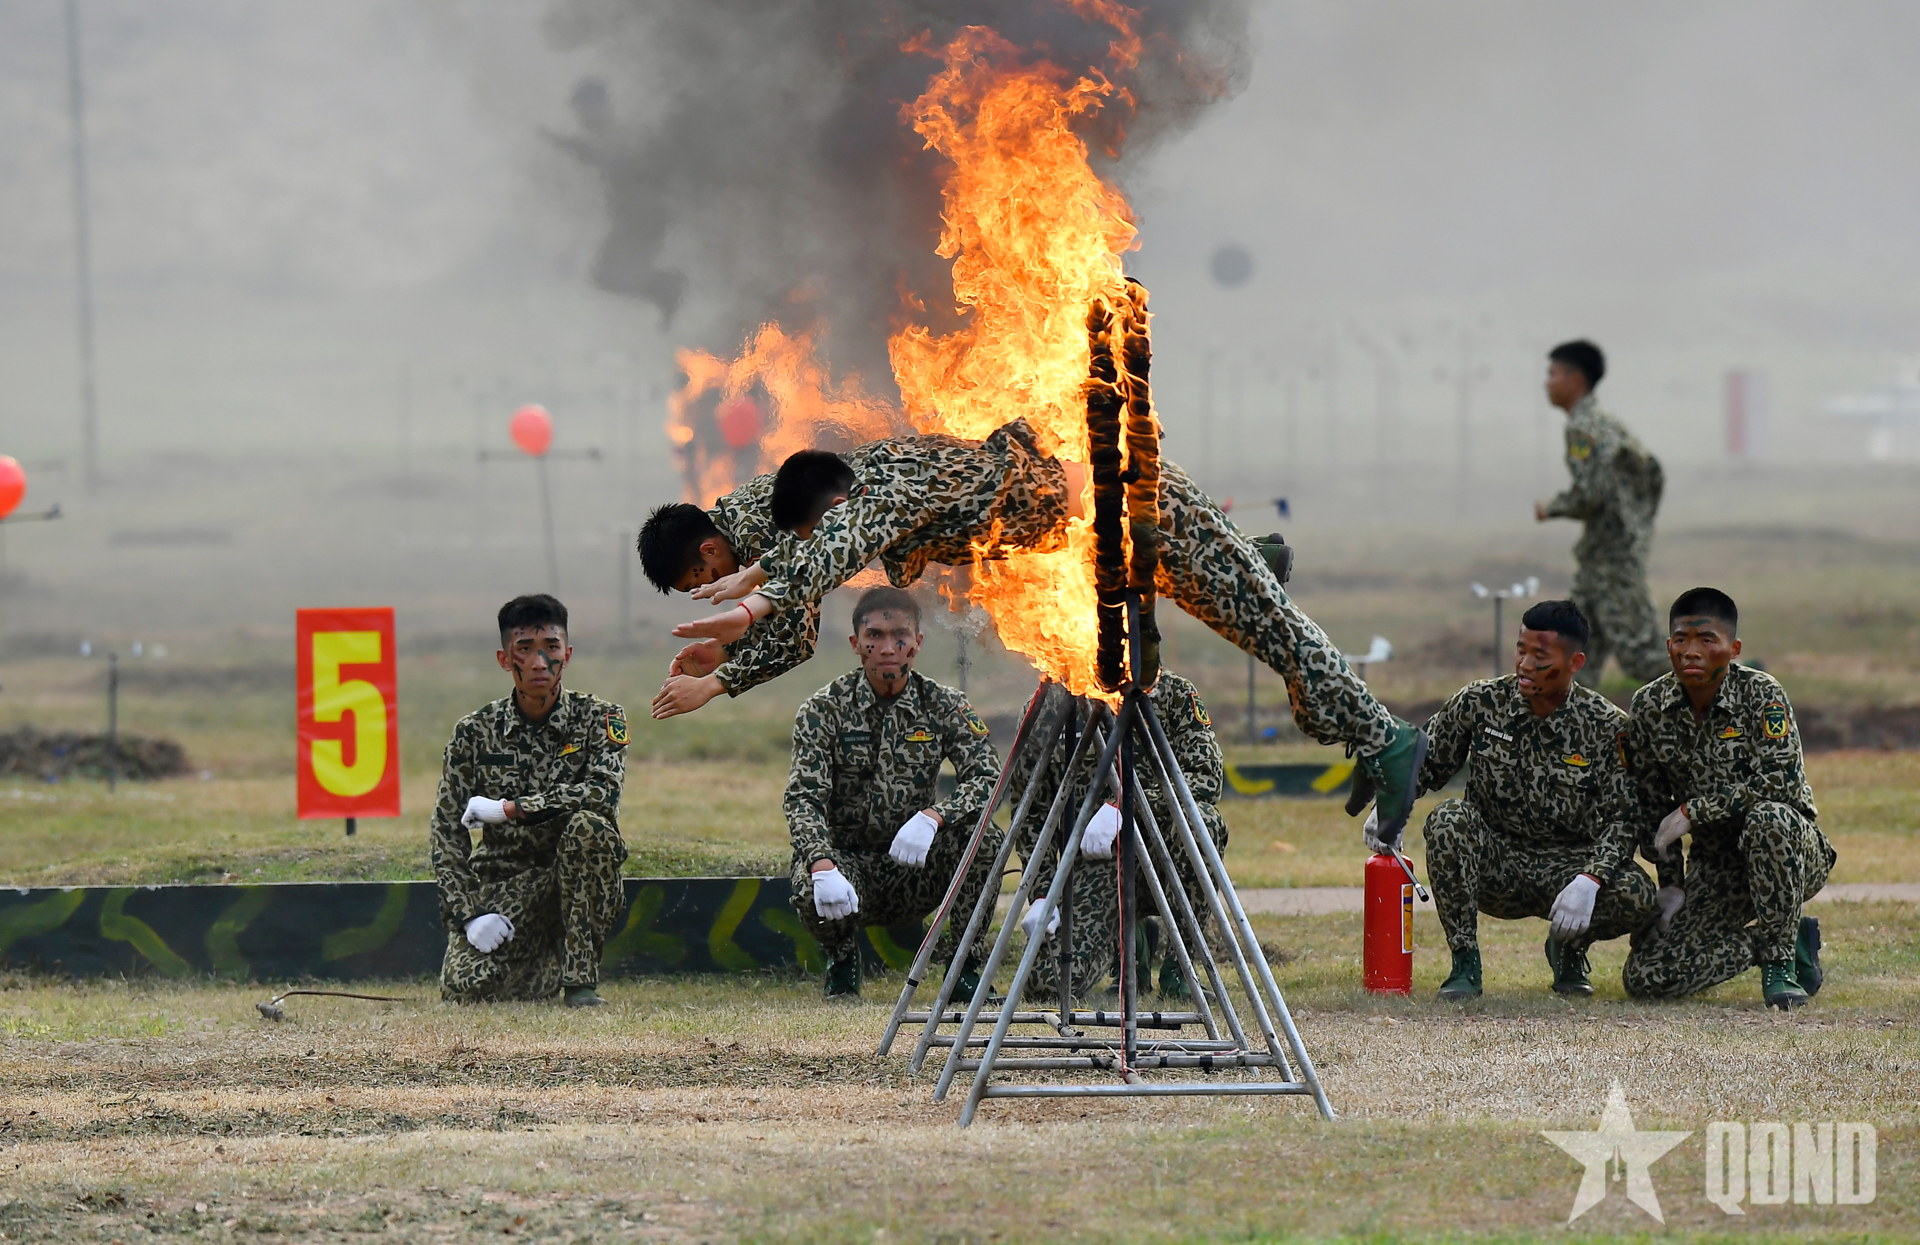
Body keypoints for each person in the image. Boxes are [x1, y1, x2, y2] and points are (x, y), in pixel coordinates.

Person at [651, 421, 1429, 843]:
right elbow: (818, 550)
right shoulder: (846, 494)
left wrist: (744, 617)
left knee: (1271, 628)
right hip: (1103, 533)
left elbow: (834, 547)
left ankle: (1387, 740)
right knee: (1251, 615)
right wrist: (737, 631)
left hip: (1128, 505)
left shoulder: (884, 488)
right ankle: (1264, 587)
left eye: (702, 574)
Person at [1379, 600, 1657, 1000]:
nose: (1525, 664)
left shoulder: (1607, 725)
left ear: (1575, 662)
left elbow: (1624, 819)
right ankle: (1464, 962)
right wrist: (1390, 805)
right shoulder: (1481, 702)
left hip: (1568, 869)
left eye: (1539, 656)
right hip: (1497, 862)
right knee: (1449, 819)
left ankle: (1568, 948)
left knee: (1637, 893)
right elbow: (1428, 761)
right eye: (1520, 650)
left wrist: (1590, 880)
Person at [783, 586, 1003, 999]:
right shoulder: (823, 710)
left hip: (915, 867)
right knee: (807, 881)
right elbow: (803, 798)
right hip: (849, 867)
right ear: (856, 644)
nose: (887, 648)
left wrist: (935, 817)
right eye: (875, 636)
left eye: (899, 635)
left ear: (917, 643)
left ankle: (964, 968)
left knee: (985, 841)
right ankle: (841, 960)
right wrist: (822, 863)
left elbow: (989, 777)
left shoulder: (943, 705)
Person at [1621, 588, 1832, 1008]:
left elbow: (1780, 781)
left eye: (1706, 640)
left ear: (1733, 649)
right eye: (1681, 640)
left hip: (1787, 853)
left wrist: (1694, 811)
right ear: (1668, 646)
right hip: (1717, 867)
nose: (1691, 652)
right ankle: (1781, 941)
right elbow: (1648, 801)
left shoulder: (1761, 694)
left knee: (1768, 819)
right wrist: (1671, 882)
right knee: (1646, 976)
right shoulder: (1649, 706)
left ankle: (1780, 968)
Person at [429, 595, 631, 1006]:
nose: (540, 662)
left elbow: (602, 794)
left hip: (577, 876)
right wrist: (468, 915)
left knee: (591, 828)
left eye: (551, 648)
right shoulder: (474, 732)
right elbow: (447, 832)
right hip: (507, 883)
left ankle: (580, 984)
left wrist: (510, 809)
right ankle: (543, 960)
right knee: (464, 988)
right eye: (525, 649)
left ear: (567, 655)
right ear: (505, 659)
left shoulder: (599, 718)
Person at [1010, 668, 1228, 1001]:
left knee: (1203, 825)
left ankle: (1180, 970)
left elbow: (1205, 777)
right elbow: (1032, 814)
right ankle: (1133, 940)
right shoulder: (1047, 706)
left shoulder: (1171, 693)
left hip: (1162, 848)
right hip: (1096, 863)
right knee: (1046, 985)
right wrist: (1042, 893)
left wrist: (1127, 805)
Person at [1533, 340, 1669, 687]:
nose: (1547, 383)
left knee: (1644, 657)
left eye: (1553, 374)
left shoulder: (1583, 429)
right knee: (1574, 657)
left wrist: (1551, 507)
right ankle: (1566, 721)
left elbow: (1591, 493)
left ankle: (1737, 690)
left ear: (1575, 379)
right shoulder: (1605, 424)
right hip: (1600, 560)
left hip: (1612, 562)